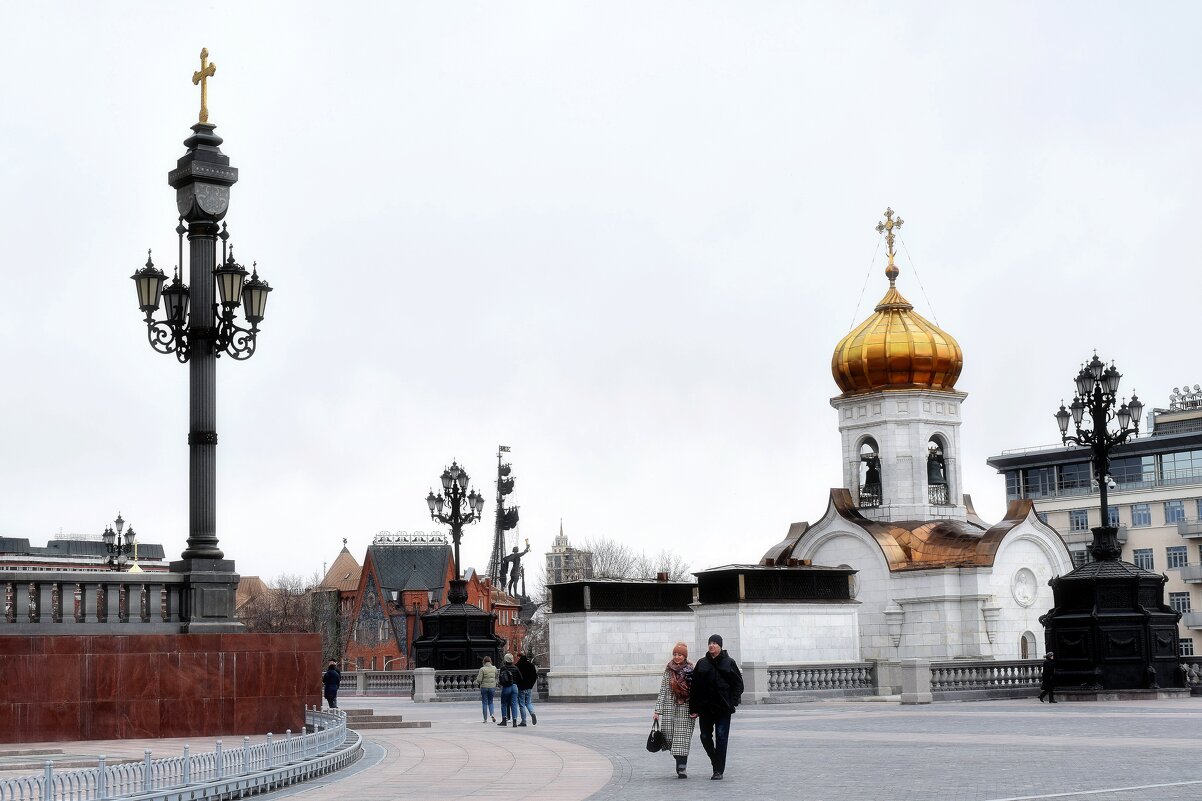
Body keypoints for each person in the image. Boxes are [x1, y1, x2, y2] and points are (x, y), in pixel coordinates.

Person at [688, 634, 743, 780]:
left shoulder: (729, 662)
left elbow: (739, 684)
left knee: (721, 737)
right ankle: (714, 760)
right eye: (710, 643)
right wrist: (693, 708)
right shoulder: (702, 663)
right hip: (705, 707)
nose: (712, 645)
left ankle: (718, 770)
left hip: (723, 708)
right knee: (705, 736)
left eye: (715, 643)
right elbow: (694, 688)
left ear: (720, 646)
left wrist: (732, 701)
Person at [653, 642, 697, 779]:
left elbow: (696, 691)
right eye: (675, 654)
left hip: (685, 708)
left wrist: (696, 709)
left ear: (685, 656)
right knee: (670, 737)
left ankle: (682, 767)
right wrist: (657, 711)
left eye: (680, 654)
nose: (677, 657)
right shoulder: (668, 670)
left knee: (682, 739)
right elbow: (663, 691)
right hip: (669, 708)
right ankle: (679, 762)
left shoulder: (691, 670)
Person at [497, 653, 520, 727]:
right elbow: (520, 677)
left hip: (506, 687)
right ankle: (515, 721)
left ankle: (504, 720)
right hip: (514, 687)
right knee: (514, 704)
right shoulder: (516, 668)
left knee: (504, 703)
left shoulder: (503, 668)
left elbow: (500, 678)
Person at [515, 652, 538, 726]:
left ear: (519, 657)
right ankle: (532, 713)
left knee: (521, 704)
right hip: (529, 687)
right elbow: (535, 676)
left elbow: (516, 677)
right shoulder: (531, 665)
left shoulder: (517, 666)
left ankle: (524, 721)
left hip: (521, 687)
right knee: (528, 703)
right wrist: (531, 685)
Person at [477, 656, 498, 723]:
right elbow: (496, 676)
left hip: (484, 687)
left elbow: (479, 680)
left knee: (484, 703)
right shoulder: (494, 668)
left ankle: (485, 719)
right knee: (491, 702)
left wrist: (478, 681)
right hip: (492, 687)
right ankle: (492, 714)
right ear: (490, 661)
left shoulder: (482, 669)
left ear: (484, 661)